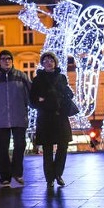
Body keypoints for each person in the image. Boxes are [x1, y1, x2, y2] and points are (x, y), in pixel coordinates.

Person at [0, 50, 31, 188]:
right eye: (3, 59)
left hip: (19, 116)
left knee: (20, 145)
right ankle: (5, 177)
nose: (6, 61)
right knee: (2, 149)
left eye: (9, 58)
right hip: (0, 119)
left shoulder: (21, 77)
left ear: (12, 60)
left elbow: (30, 95)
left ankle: (17, 172)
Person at [30, 51, 73, 188]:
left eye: (51, 60)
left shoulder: (61, 78)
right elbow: (32, 100)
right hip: (45, 118)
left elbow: (68, 93)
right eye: (46, 60)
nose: (49, 62)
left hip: (60, 116)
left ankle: (58, 173)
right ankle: (50, 178)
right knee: (47, 149)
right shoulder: (37, 80)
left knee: (63, 146)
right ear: (42, 63)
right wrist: (41, 102)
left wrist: (63, 97)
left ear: (55, 63)